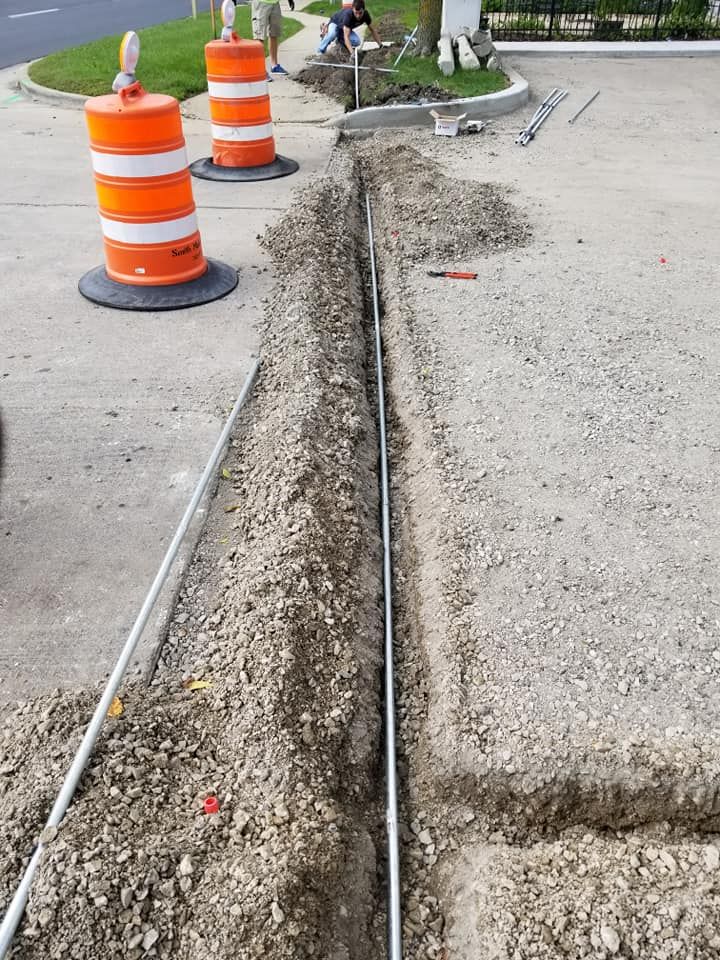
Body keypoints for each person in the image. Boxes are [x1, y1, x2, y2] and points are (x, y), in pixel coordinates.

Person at [316, 0, 382, 56]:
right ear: (352, 9)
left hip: (343, 28)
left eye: (360, 13)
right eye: (356, 13)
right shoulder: (348, 15)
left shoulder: (366, 15)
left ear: (364, 10)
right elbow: (346, 37)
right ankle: (320, 50)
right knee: (332, 34)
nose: (358, 16)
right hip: (335, 23)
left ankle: (339, 40)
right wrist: (352, 53)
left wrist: (380, 45)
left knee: (356, 41)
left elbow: (373, 30)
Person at [252, 0, 295, 76]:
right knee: (259, 36)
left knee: (274, 34)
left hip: (275, 3)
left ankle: (274, 66)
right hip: (261, 3)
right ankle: (259, 70)